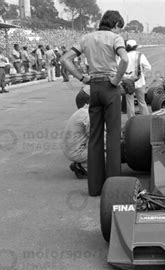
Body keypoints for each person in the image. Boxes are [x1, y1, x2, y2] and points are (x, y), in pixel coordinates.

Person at [60, 10, 128, 196]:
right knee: (113, 137)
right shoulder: (115, 38)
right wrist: (116, 80)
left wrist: (82, 78)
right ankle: (114, 187)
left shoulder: (86, 38)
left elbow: (65, 59)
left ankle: (95, 188)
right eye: (119, 28)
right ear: (115, 24)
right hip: (110, 87)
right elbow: (125, 58)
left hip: (94, 87)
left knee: (95, 139)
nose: (119, 31)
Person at [63, 87, 90, 179]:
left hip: (70, 149)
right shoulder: (87, 115)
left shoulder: (81, 111)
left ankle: (81, 162)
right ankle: (83, 166)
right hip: (76, 152)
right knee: (105, 150)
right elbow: (94, 135)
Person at [123, 39, 151, 118]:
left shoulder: (124, 56)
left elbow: (118, 68)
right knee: (142, 101)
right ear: (135, 47)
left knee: (130, 103)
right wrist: (144, 75)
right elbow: (148, 67)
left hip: (127, 82)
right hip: (139, 82)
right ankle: (146, 120)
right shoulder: (140, 55)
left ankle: (131, 122)